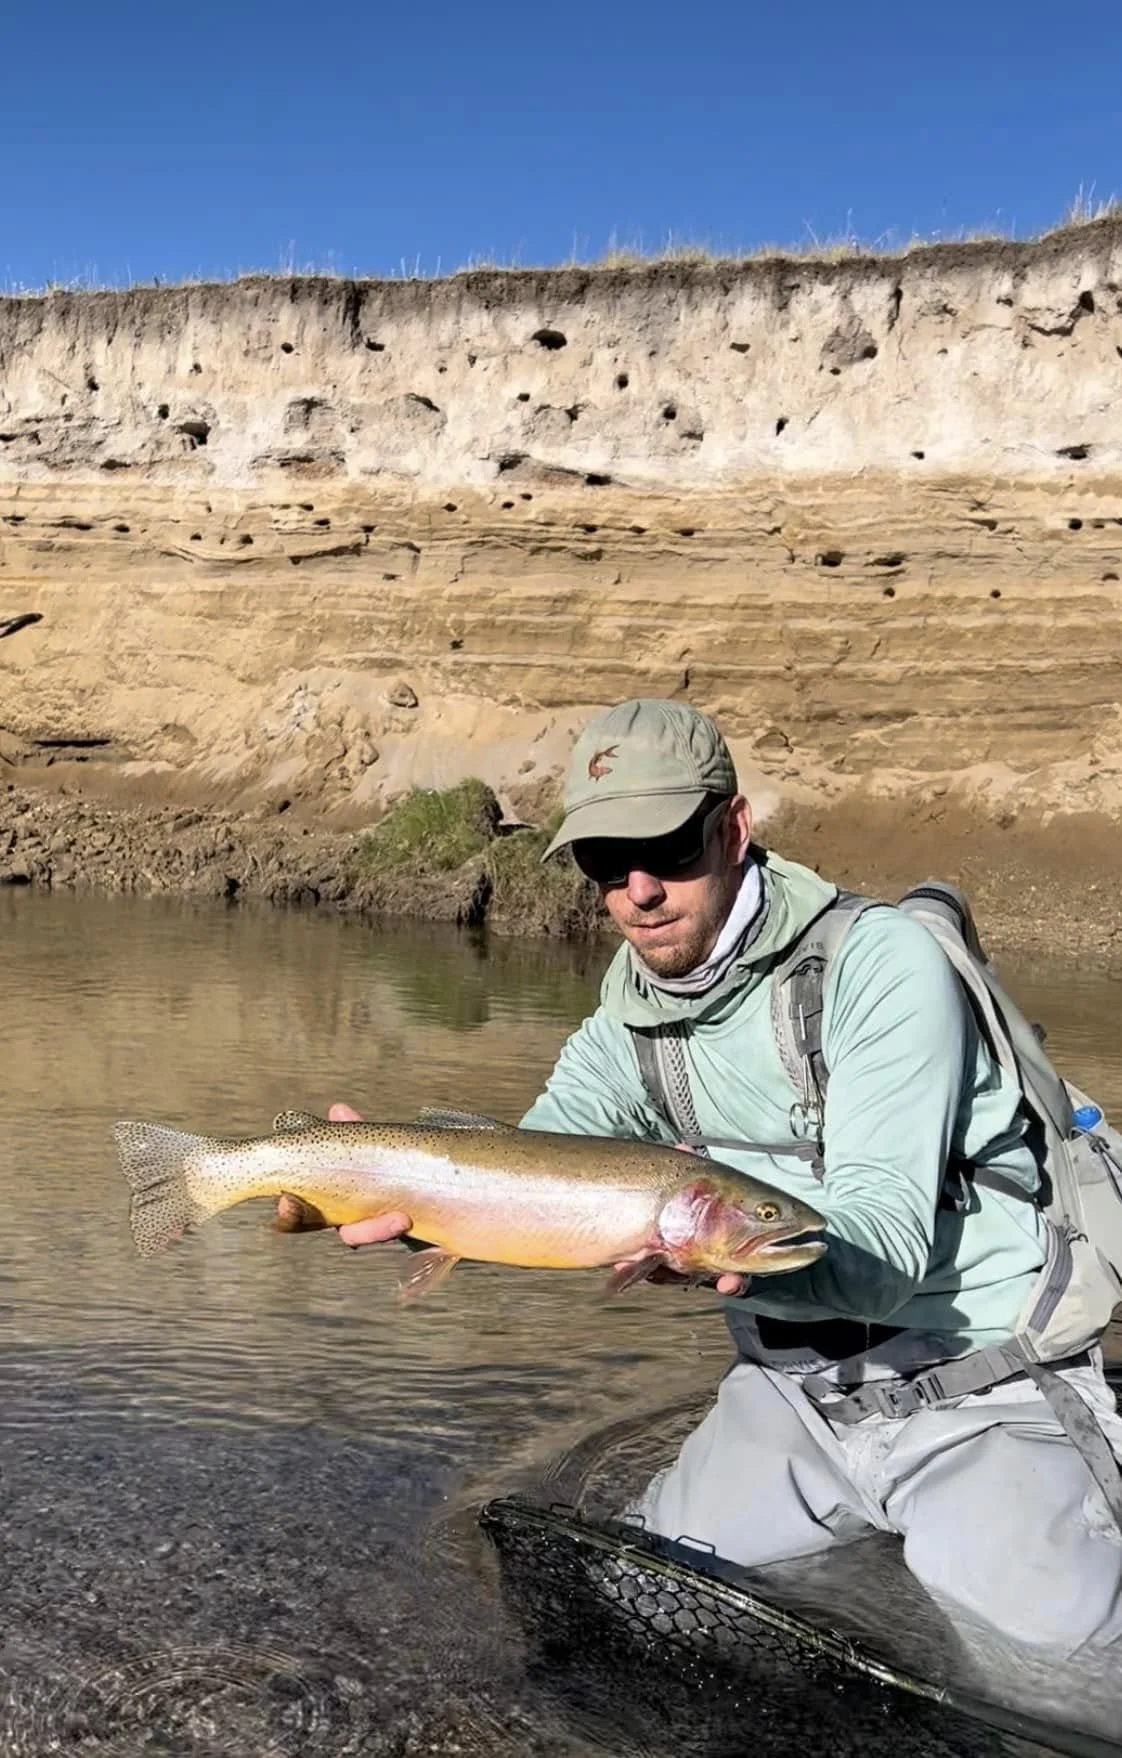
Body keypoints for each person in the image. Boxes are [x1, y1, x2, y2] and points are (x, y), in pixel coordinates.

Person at [281, 698, 1122, 1656]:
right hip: (793, 1394)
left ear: (734, 829)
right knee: (633, 1614)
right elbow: (534, 1173)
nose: (639, 890)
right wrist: (398, 1189)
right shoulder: (624, 1026)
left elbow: (885, 1255)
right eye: (606, 862)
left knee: (1064, 1676)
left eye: (669, 848)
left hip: (984, 1385)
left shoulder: (881, 967)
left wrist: (717, 1257)